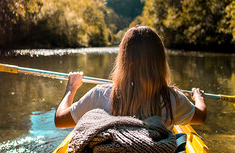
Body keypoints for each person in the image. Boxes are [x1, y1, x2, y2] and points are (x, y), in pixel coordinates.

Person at [54, 25, 206, 130]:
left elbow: (60, 121)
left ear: (123, 59)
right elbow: (201, 117)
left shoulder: (100, 94)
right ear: (160, 61)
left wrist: (71, 88)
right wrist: (198, 97)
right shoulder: (173, 99)